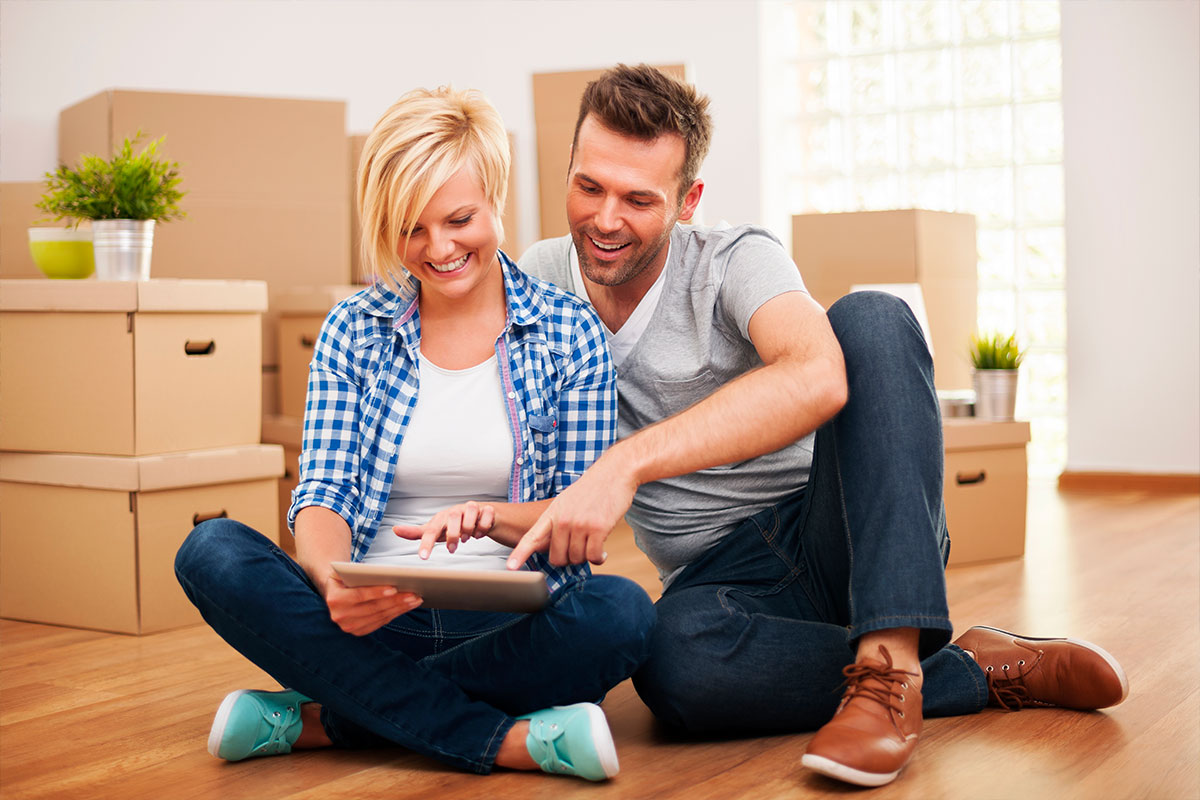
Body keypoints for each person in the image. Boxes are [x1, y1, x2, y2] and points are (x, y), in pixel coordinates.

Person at [510, 64, 1129, 788]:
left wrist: (625, 465)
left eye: (639, 199)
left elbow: (817, 373)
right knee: (671, 666)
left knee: (870, 317)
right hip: (721, 581)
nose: (607, 219)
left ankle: (891, 661)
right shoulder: (539, 279)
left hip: (840, 528)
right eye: (589, 187)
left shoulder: (736, 258)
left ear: (687, 202)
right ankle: (962, 671)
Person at [174, 85, 655, 783]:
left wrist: (491, 520)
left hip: (507, 627)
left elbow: (574, 514)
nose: (439, 248)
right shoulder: (352, 329)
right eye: (412, 228)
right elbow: (324, 493)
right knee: (211, 550)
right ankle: (505, 740)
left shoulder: (568, 333)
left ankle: (329, 718)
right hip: (367, 620)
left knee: (622, 615)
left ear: (497, 198)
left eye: (459, 218)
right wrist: (332, 581)